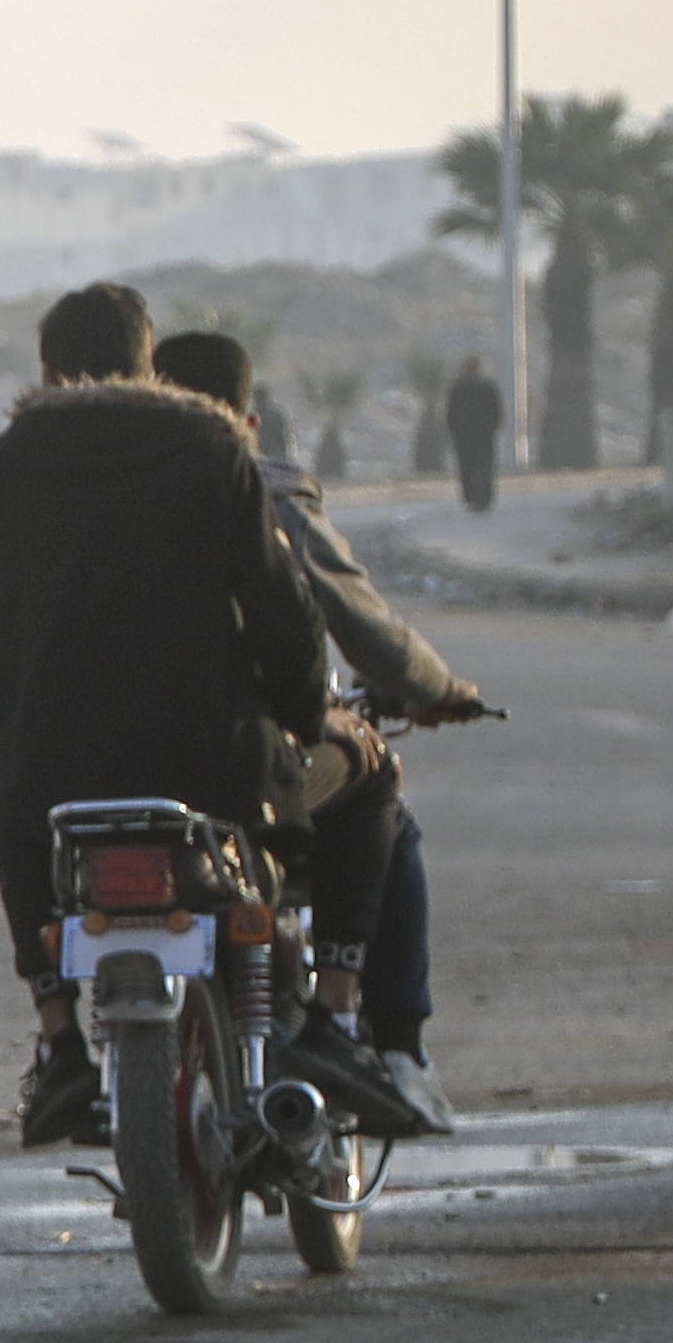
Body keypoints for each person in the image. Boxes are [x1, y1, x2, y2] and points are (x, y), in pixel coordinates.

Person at [0, 284, 332, 1147]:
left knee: (18, 840)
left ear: (48, 372)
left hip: (46, 774)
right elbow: (283, 618)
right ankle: (286, 1032)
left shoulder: (1, 470)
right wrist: (305, 715)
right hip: (205, 761)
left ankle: (59, 1042)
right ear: (148, 366)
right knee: (276, 852)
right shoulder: (212, 451)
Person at [153, 329, 480, 1131]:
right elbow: (356, 630)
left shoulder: (102, 492)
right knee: (376, 786)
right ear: (249, 420)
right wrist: (440, 689)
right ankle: (357, 1024)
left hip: (109, 760)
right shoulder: (268, 493)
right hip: (245, 758)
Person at [444, 353, 504, 514]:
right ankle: (470, 498)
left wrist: (492, 427)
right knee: (467, 467)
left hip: (483, 435)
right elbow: (451, 412)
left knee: (484, 466)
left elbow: (496, 411)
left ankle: (484, 498)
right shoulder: (458, 389)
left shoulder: (487, 388)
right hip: (464, 436)